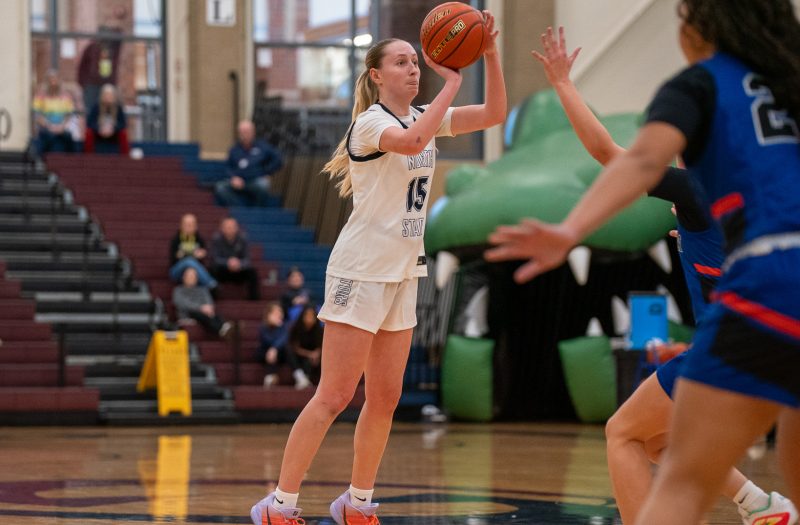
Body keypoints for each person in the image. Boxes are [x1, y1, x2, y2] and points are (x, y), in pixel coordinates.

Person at [487, 2, 800, 523]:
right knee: (665, 440)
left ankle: (763, 505)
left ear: (700, 30)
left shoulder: (701, 95)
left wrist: (569, 230)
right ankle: (763, 505)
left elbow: (625, 157)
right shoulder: (786, 87)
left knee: (626, 434)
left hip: (764, 299)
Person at [249, 11, 507, 524]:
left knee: (386, 397)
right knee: (334, 395)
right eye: (401, 62)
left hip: (402, 271)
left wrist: (489, 54)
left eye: (416, 61)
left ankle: (358, 502)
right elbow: (412, 144)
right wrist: (451, 81)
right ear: (376, 75)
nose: (413, 69)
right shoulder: (371, 124)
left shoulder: (423, 118)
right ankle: (278, 505)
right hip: (360, 270)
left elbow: (496, 113)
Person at [215, 120, 283, 207]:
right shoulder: (234, 149)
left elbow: (278, 159)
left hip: (255, 180)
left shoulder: (263, 147)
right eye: (242, 132)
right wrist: (233, 177)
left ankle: (257, 212)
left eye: (246, 132)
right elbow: (227, 167)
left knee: (263, 186)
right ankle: (239, 209)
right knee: (220, 187)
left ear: (253, 132)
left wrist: (266, 172)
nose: (244, 135)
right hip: (238, 181)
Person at [256, 302, 312, 390]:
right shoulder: (263, 327)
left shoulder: (284, 326)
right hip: (266, 354)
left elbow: (284, 339)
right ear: (268, 314)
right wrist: (273, 348)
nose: (279, 315)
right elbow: (267, 341)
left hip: (281, 354)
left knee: (287, 349)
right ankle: (271, 375)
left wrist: (275, 348)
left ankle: (299, 376)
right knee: (267, 352)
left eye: (280, 313)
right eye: (276, 313)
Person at [172, 267, 231, 338]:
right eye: (190, 276)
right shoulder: (178, 290)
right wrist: (200, 308)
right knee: (201, 315)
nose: (192, 278)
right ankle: (221, 329)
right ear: (183, 277)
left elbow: (209, 301)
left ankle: (224, 326)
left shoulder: (203, 289)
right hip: (188, 313)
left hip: (205, 312)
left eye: (194, 276)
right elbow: (181, 303)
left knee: (215, 315)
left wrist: (208, 308)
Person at [210, 217, 260, 301]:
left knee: (252, 272)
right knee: (212, 270)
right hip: (223, 270)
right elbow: (215, 258)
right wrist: (227, 263)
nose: (230, 229)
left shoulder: (243, 239)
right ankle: (213, 298)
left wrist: (239, 263)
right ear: (222, 228)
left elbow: (247, 259)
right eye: (227, 227)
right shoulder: (216, 239)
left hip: (239, 270)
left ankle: (254, 299)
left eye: (232, 227)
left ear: (237, 228)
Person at [32, 70, 77, 154]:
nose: (53, 83)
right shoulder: (40, 96)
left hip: (62, 128)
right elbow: (37, 115)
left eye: (55, 80)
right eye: (51, 80)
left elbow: (69, 115)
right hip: (46, 128)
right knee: (48, 138)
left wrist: (62, 126)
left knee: (70, 140)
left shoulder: (66, 96)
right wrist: (49, 126)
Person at [168, 213, 217, 289]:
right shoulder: (176, 240)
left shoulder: (200, 240)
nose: (189, 227)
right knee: (189, 261)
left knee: (191, 271)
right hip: (176, 271)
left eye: (191, 224)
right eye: (187, 224)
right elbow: (174, 258)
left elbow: (203, 258)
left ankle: (202, 294)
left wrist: (201, 255)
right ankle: (211, 283)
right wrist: (192, 255)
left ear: (196, 226)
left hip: (194, 271)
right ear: (181, 225)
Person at [84, 84, 130, 155]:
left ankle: (125, 156)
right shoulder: (96, 107)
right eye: (106, 95)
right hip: (99, 133)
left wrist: (113, 129)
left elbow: (123, 124)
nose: (108, 97)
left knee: (123, 133)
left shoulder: (118, 108)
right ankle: (88, 156)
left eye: (110, 95)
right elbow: (90, 123)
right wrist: (99, 129)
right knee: (89, 132)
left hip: (114, 133)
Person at [287, 305, 324, 385]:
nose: (309, 317)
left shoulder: (319, 330)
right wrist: (310, 354)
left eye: (312, 315)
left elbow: (321, 346)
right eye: (307, 315)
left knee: (310, 361)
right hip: (298, 356)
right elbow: (294, 347)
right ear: (302, 316)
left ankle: (305, 379)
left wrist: (317, 353)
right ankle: (300, 376)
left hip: (312, 359)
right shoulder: (296, 328)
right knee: (289, 351)